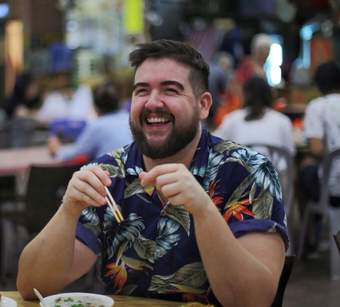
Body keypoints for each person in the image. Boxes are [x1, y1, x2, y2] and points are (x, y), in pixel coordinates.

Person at [17, 39, 287, 306]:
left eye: (170, 90)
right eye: (142, 91)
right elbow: (32, 287)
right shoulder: (110, 173)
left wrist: (204, 211)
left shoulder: (246, 171)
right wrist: (68, 209)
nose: (152, 103)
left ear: (203, 105)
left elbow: (255, 300)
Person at [214, 76, 295, 164]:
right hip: (275, 175)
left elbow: (214, 147)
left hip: (239, 176)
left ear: (244, 95)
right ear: (270, 95)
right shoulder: (282, 121)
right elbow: (290, 154)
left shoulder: (232, 119)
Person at [48, 82, 132, 161]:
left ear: (95, 107)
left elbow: (75, 153)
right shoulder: (129, 118)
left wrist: (57, 150)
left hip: (112, 174)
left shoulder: (97, 125)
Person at [300, 61, 340, 206]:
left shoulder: (317, 106)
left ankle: (315, 222)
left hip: (332, 186)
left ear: (318, 85)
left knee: (305, 166)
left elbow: (316, 148)